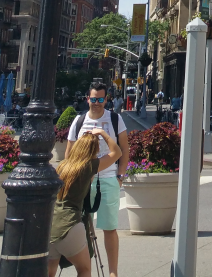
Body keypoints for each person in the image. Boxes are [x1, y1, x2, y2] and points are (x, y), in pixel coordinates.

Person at [67, 79, 129, 277]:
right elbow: (69, 154)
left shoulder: (115, 119)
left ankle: (113, 273)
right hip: (84, 182)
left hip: (109, 179)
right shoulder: (78, 121)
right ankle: (85, 272)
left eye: (101, 98)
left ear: (106, 99)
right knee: (82, 229)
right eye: (94, 98)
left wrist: (120, 175)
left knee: (109, 228)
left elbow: (124, 149)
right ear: (88, 99)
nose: (97, 102)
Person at [48, 130, 121, 277]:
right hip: (70, 223)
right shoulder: (88, 166)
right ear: (94, 150)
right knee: (84, 270)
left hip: (51, 225)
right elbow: (117, 152)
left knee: (49, 273)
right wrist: (103, 134)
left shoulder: (62, 165)